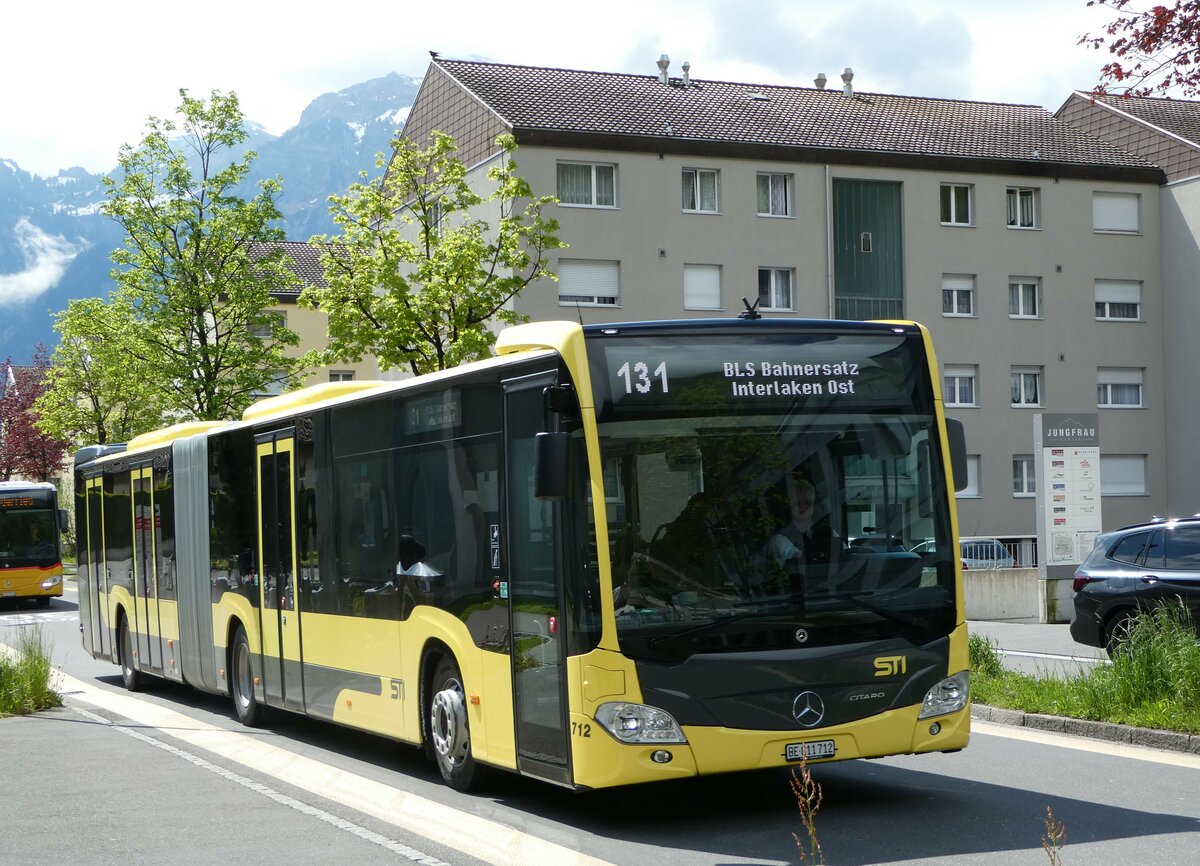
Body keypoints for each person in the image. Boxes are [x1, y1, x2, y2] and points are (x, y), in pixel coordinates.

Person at [765, 475, 841, 574]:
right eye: (797, 502)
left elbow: (845, 555)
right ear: (788, 505)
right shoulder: (779, 540)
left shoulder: (829, 533)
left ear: (814, 506)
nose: (803, 507)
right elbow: (797, 565)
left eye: (808, 503)